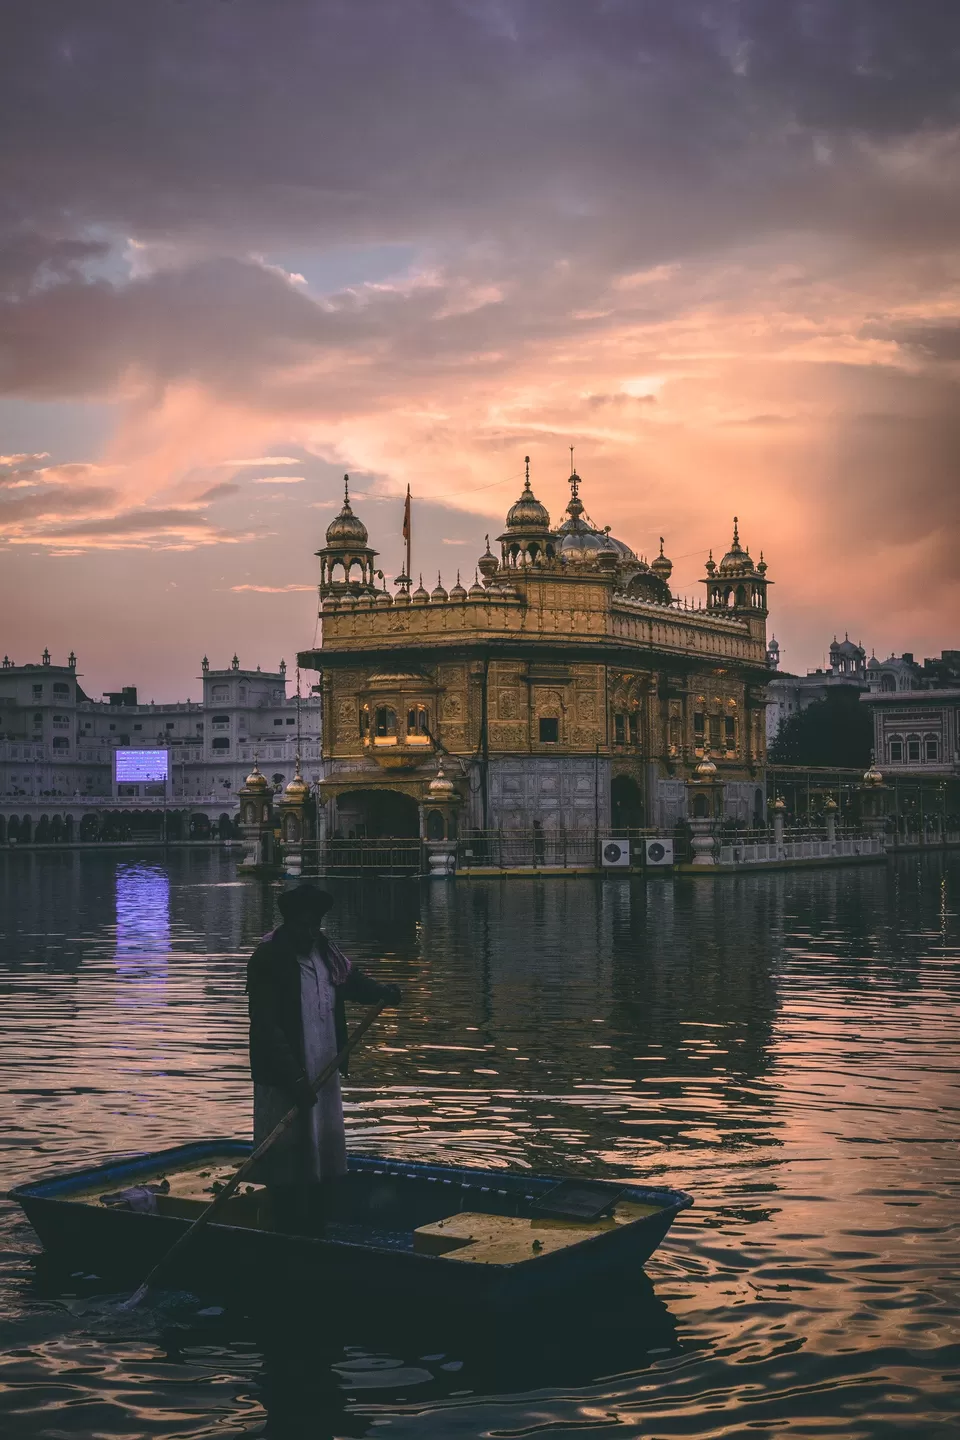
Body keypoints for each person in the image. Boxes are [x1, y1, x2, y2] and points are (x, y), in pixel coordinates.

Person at [246, 884, 401, 1232]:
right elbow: (267, 1029)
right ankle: (285, 1225)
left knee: (323, 1155)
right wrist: (295, 1079)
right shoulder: (268, 959)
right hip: (285, 1078)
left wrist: (383, 993)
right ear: (289, 925)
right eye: (303, 926)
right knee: (287, 1164)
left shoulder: (325, 952)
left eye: (315, 925)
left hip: (323, 1070)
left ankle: (318, 1220)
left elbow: (352, 982)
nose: (310, 933)